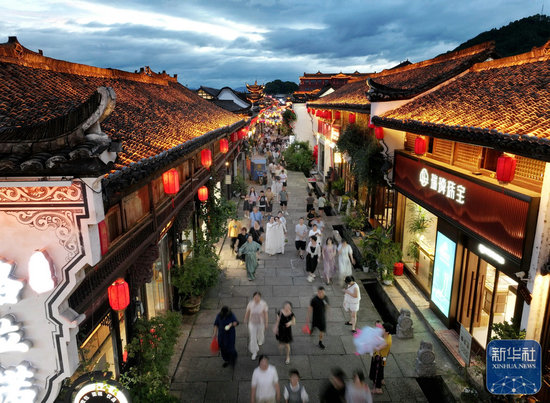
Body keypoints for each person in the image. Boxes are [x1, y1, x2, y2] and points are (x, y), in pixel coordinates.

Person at [369, 322, 393, 395]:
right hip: (384, 357)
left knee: (377, 372)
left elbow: (378, 348)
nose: (381, 329)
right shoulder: (389, 336)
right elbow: (388, 350)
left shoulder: (386, 342)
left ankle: (378, 389)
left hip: (379, 358)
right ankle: (382, 380)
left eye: (383, 328)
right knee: (381, 369)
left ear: (387, 331)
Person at [244, 292, 269, 360]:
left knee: (260, 333)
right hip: (252, 323)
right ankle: (254, 351)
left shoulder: (263, 304)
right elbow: (247, 312)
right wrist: (245, 319)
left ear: (260, 297)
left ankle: (260, 339)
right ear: (253, 297)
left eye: (258, 297)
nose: (257, 298)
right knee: (253, 337)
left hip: (260, 323)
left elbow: (266, 314)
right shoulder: (250, 304)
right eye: (255, 297)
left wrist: (266, 323)